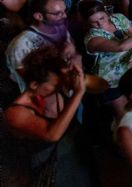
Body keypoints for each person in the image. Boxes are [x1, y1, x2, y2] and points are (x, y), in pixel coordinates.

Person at [3, 45, 88, 186]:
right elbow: (52, 135)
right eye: (55, 85)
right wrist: (78, 94)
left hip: (75, 151)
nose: (59, 87)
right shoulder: (16, 113)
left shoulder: (53, 89)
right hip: (50, 166)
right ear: (34, 84)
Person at [79, 0, 132, 119]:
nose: (100, 24)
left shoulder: (119, 18)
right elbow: (122, 46)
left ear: (106, 12)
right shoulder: (92, 38)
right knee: (125, 118)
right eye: (94, 22)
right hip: (111, 81)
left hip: (130, 73)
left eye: (102, 18)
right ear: (87, 23)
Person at [5, 0, 74, 91]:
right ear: (39, 16)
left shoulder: (61, 29)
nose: (65, 16)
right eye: (58, 13)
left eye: (65, 11)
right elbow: (32, 81)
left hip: (67, 90)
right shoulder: (21, 44)